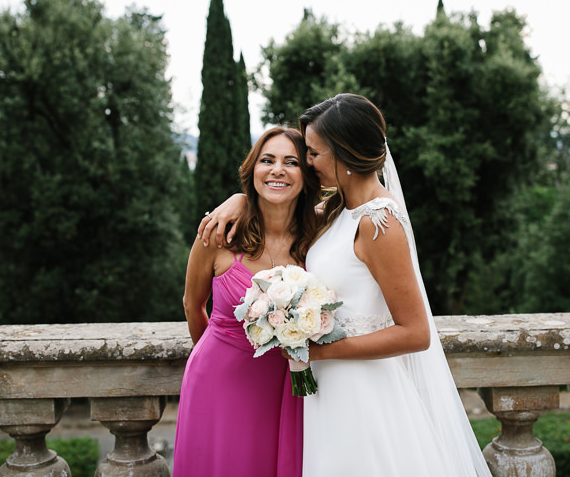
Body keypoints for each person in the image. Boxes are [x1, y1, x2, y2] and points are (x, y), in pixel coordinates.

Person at [200, 94, 492, 477]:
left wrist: (315, 352)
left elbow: (416, 333)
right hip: (328, 390)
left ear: (344, 154)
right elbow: (279, 211)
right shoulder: (338, 210)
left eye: (314, 153)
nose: (307, 162)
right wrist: (239, 199)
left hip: (363, 391)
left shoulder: (378, 222)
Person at [173, 126, 318, 477]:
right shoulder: (218, 235)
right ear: (252, 169)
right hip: (218, 383)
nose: (277, 169)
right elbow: (193, 306)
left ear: (306, 175)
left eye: (291, 162)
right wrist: (220, 356)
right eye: (267, 160)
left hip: (287, 386)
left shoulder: (320, 238)